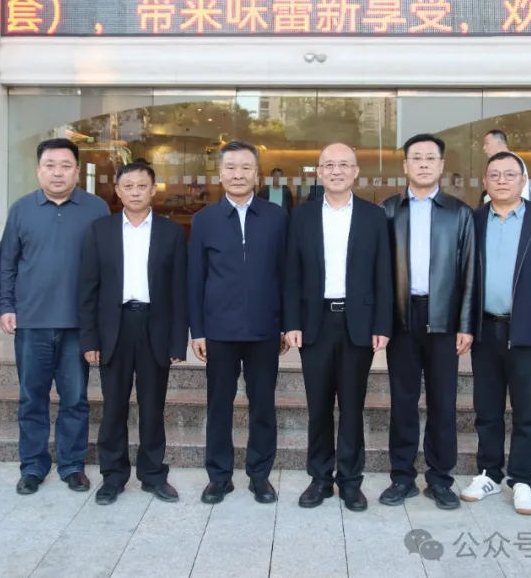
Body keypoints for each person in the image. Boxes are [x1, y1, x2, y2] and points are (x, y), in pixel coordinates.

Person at [284, 142, 392, 512]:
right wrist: (291, 322)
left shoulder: (374, 216)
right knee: (318, 407)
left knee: (352, 406)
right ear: (318, 172)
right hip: (314, 323)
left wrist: (382, 323)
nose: (336, 171)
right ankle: (319, 478)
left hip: (357, 323)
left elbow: (383, 274)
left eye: (344, 165)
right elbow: (291, 274)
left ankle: (350, 480)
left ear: (356, 172)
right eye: (329, 165)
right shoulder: (302, 216)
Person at [0, 138, 110, 496]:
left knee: (75, 399)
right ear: (38, 170)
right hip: (31, 322)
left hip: (79, 324)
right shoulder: (21, 209)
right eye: (50, 165)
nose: (57, 172)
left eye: (65, 165)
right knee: (31, 398)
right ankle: (32, 466)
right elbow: (7, 263)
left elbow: (108, 266)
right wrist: (6, 306)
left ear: (77, 170)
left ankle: (72, 465)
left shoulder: (96, 208)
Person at [460, 151, 531, 515]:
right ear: (485, 182)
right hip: (484, 329)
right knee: (486, 408)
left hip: (527, 333)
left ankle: (522, 480)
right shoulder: (473, 220)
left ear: (523, 181)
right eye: (495, 175)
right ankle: (489, 472)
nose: (502, 181)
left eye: (510, 174)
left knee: (527, 411)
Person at [79, 161, 188, 505]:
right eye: (128, 186)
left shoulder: (171, 232)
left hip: (155, 326)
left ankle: (153, 475)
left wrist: (178, 341)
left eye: (142, 186)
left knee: (152, 407)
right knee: (113, 407)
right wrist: (89, 338)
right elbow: (88, 289)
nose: (136, 192)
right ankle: (113, 477)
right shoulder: (101, 230)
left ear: (153, 190)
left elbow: (179, 291)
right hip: (114, 327)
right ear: (117, 190)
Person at [188, 140, 287, 505]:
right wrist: (197, 330)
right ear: (220, 173)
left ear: (257, 174)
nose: (238, 174)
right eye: (231, 167)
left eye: (246, 167)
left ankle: (260, 476)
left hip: (264, 328)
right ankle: (219, 477)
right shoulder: (204, 220)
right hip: (219, 330)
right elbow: (195, 278)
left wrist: (285, 324)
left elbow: (287, 274)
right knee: (219, 405)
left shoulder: (277, 217)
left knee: (263, 405)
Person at [379, 134, 475, 510]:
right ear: (405, 166)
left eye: (430, 158)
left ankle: (439, 479)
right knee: (402, 401)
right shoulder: (388, 210)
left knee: (442, 402)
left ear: (441, 165)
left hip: (444, 319)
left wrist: (465, 324)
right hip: (402, 318)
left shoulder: (459, 213)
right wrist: (381, 323)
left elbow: (470, 271)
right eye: (415, 158)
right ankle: (402, 477)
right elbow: (377, 273)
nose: (422, 164)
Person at [481, 130, 531, 202]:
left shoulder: (513, 162)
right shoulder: (504, 161)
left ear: (498, 143)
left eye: (487, 143)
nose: (484, 148)